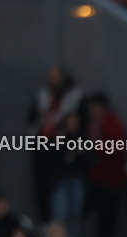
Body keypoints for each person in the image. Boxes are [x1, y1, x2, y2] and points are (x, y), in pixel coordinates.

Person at [27, 66, 82, 220]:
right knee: (43, 193)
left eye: (54, 76)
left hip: (63, 155)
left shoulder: (74, 97)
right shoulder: (43, 95)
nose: (51, 80)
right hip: (42, 147)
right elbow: (31, 119)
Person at [83, 93, 127, 237]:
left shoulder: (114, 125)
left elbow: (116, 149)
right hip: (97, 179)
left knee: (106, 223)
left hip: (110, 183)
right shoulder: (96, 124)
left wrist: (94, 148)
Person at [49, 111, 91, 237]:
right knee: (59, 215)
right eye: (70, 121)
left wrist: (82, 153)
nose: (72, 124)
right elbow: (51, 158)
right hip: (61, 179)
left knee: (75, 216)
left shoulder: (84, 138)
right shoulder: (59, 136)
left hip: (78, 179)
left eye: (75, 121)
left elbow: (91, 160)